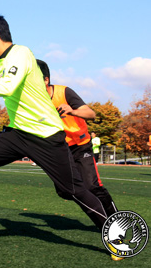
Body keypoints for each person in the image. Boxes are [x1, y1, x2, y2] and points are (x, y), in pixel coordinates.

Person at [0, 14, 109, 255]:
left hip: (46, 136)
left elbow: (7, 87)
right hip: (18, 133)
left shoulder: (21, 54)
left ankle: (114, 236)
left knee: (74, 191)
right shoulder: (2, 63)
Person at [36, 59, 118, 219]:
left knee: (92, 186)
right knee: (64, 191)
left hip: (81, 146)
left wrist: (72, 111)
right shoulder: (35, 100)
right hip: (60, 150)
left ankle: (115, 218)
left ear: (46, 80)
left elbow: (91, 114)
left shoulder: (64, 92)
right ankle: (98, 211)